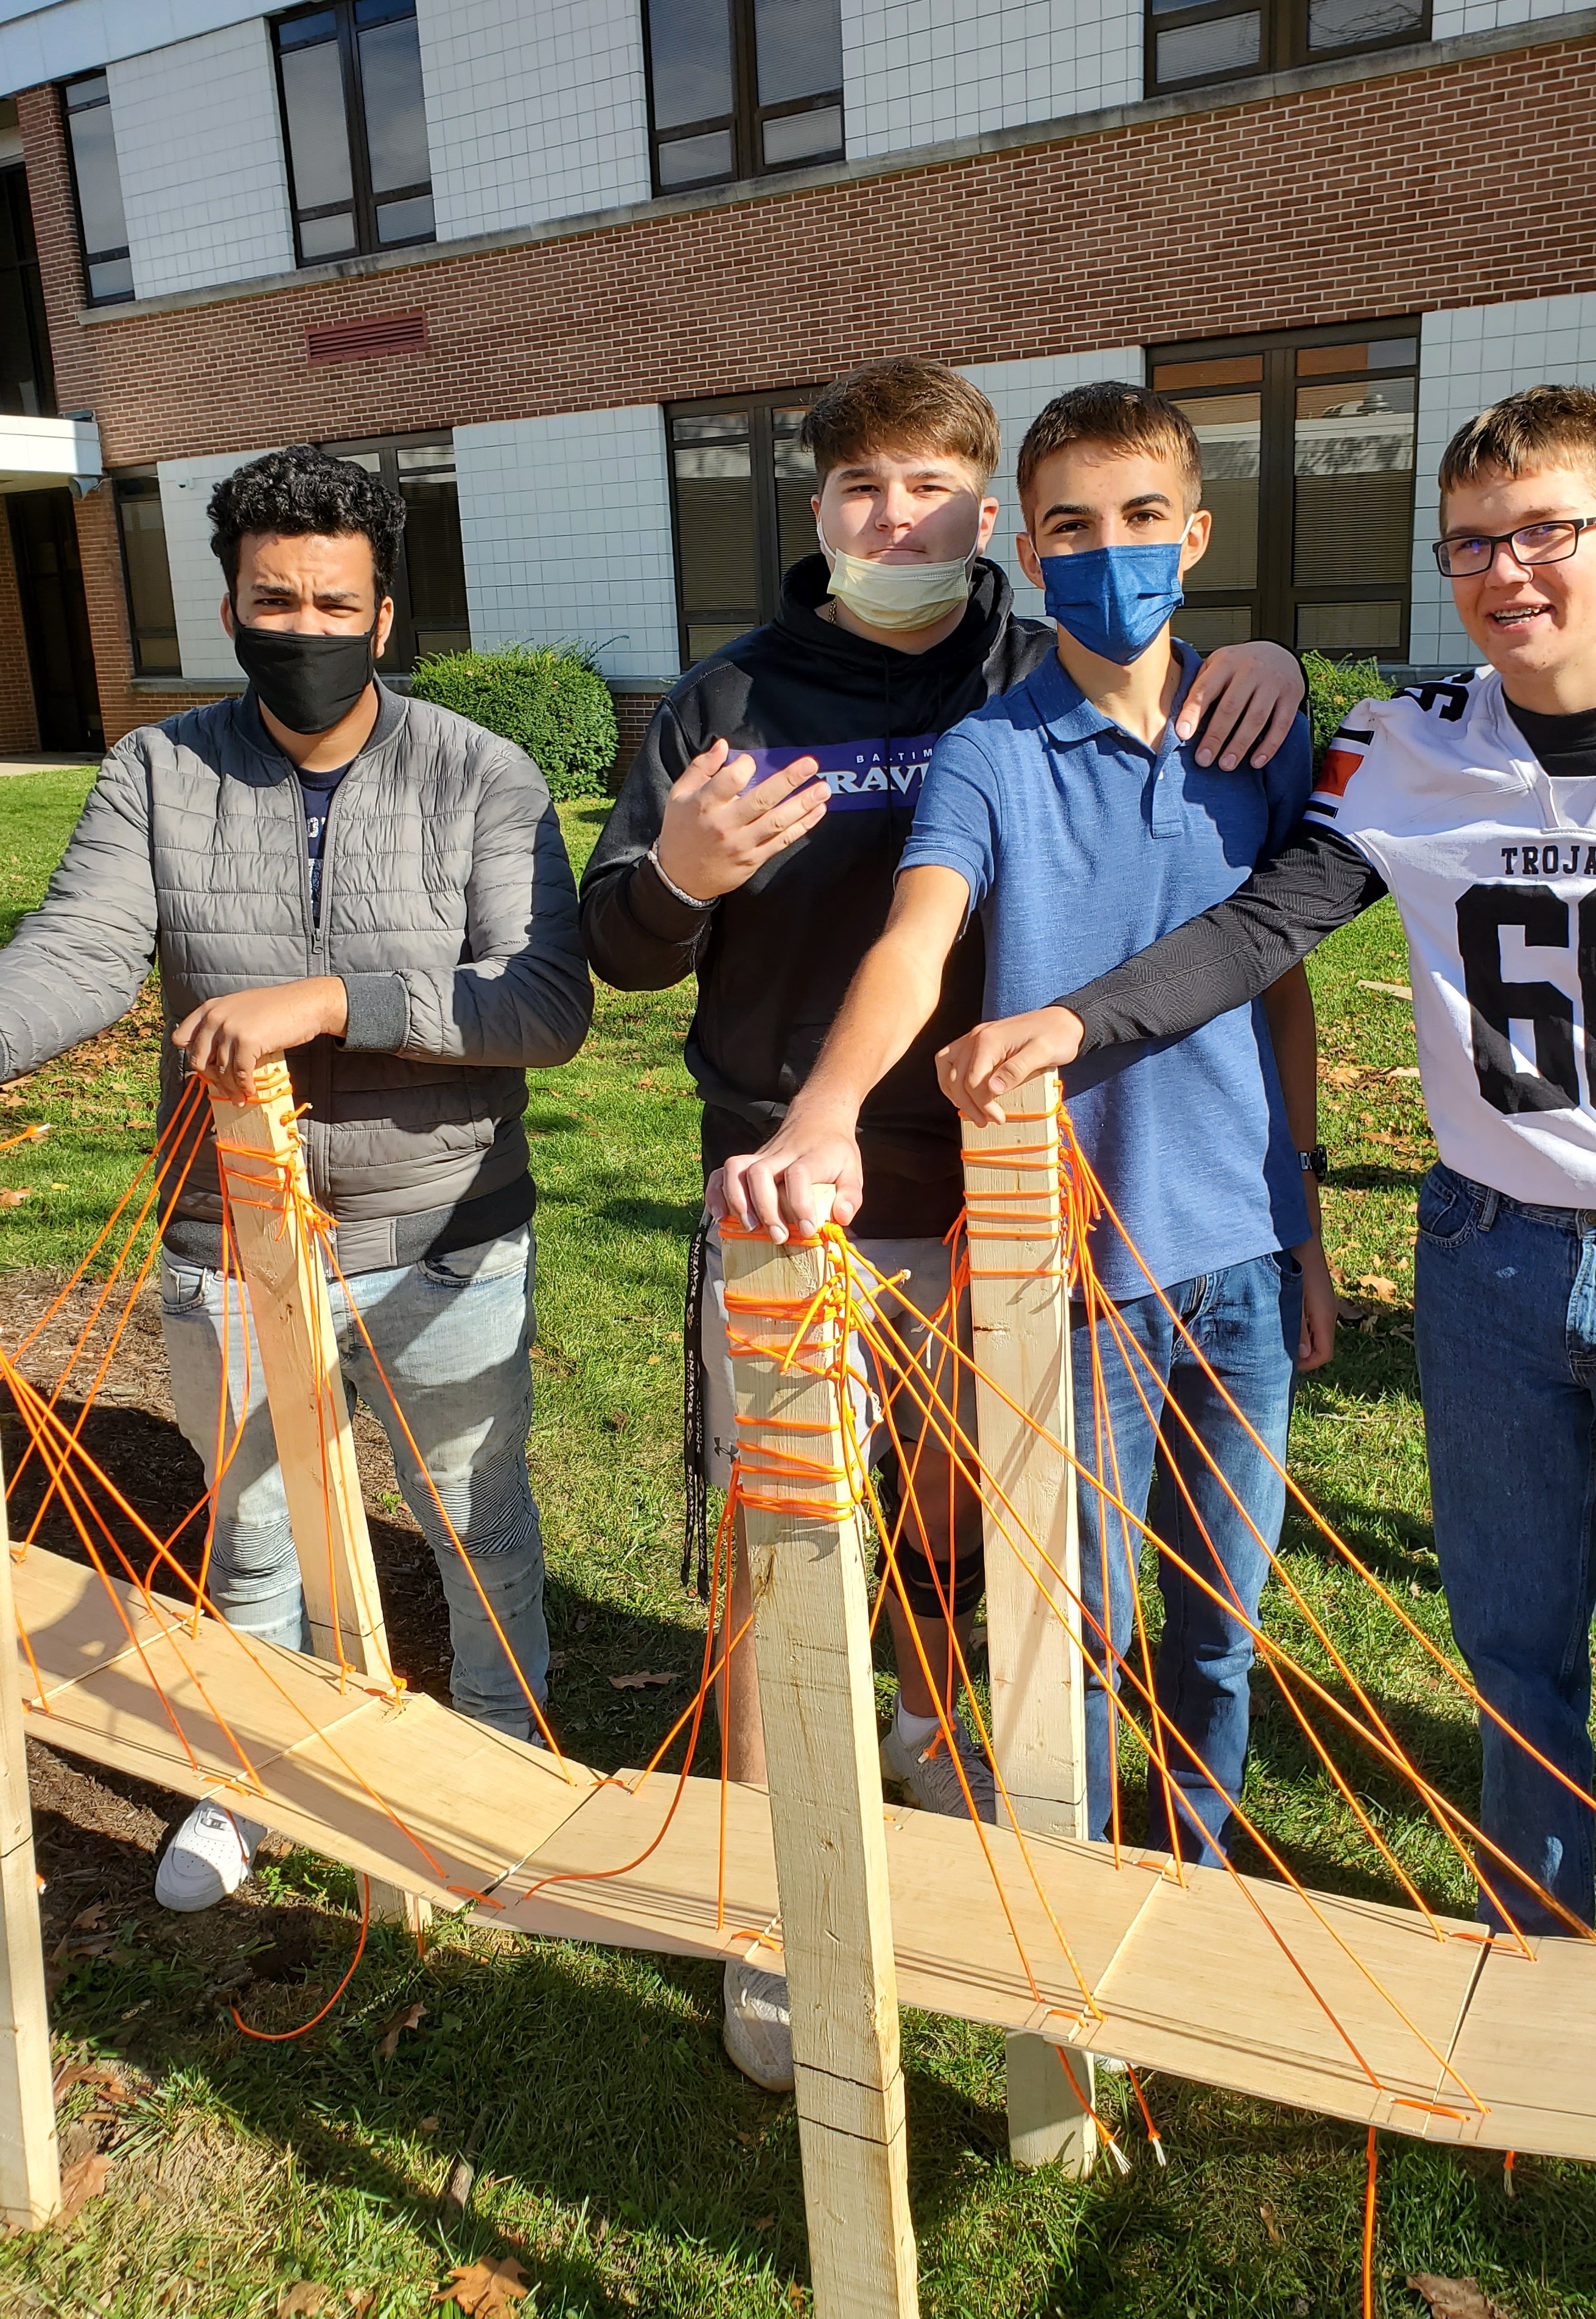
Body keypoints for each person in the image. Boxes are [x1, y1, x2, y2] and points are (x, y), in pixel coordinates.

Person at [941, 385, 1596, 1950]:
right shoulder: (1412, 748)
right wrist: (1072, 1026)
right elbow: (1261, 924)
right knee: (1511, 1658)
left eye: (1548, 532)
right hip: (1489, 1256)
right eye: (1474, 544)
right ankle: (1531, 1962)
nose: (1510, 572)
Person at [578, 358, 1307, 2083]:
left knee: (963, 1541)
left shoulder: (1025, 656)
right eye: (858, 493)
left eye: (927, 490)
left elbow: (1164, 679)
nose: (892, 519)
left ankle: (925, 1745)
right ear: (819, 516)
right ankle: (773, 1909)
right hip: (803, 1187)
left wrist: (1261, 655)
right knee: (785, 1562)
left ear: (991, 524)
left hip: (1014, 1196)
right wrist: (676, 875)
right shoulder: (731, 697)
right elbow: (615, 946)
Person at [720, 380, 1337, 1871]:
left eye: (1140, 520)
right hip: (1067, 1274)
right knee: (1079, 1622)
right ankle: (1064, 1890)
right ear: (1034, 550)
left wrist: (1308, 1226)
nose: (1108, 552)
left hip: (1243, 1257)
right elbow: (917, 938)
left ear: (1194, 537)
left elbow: (1288, 993)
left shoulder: (1259, 730)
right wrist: (825, 1110)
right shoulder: (992, 752)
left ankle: (1190, 1871)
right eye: (1074, 527)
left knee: (1221, 1628)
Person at [0, 445, 592, 1911]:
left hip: (445, 1230)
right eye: (279, 602)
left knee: (471, 1515)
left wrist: (334, 997)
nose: (308, 631)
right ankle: (252, 1775)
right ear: (231, 609)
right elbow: (76, 956)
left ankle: (506, 1763)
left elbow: (543, 1005)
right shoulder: (159, 768)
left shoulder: (481, 776)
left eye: (339, 604)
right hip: (228, 1233)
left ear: (386, 616)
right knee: (250, 1525)